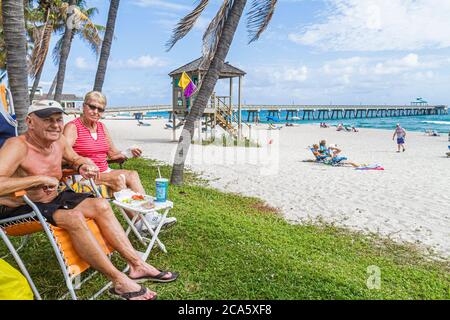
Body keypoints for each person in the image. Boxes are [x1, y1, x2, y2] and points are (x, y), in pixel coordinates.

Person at [0, 100, 178, 300]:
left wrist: (82, 165)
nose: (56, 125)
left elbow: (75, 158)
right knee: (73, 217)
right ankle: (118, 280)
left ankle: (137, 265)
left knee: (101, 204)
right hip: (21, 207)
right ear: (30, 122)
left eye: (59, 120)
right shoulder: (17, 146)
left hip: (54, 198)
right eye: (48, 120)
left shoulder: (59, 141)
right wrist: (38, 179)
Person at [63, 91, 176, 231]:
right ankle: (140, 223)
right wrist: (81, 163)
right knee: (118, 179)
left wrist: (128, 152)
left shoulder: (101, 127)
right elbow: (63, 153)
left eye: (100, 109)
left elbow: (112, 153)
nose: (96, 112)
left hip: (104, 171)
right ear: (83, 106)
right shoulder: (73, 127)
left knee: (132, 174)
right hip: (83, 175)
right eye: (92, 107)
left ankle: (150, 215)